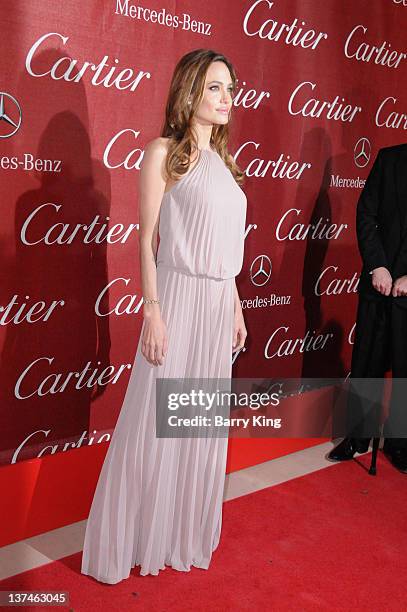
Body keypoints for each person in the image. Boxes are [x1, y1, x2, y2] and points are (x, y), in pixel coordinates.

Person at [80, 49, 248, 583]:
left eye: (230, 88)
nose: (227, 98)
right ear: (190, 91)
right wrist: (152, 310)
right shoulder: (163, 153)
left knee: (195, 426)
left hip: (219, 305)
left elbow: (225, 247)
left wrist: (237, 306)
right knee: (154, 424)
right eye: (216, 87)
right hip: (176, 298)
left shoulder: (226, 164)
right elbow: (146, 240)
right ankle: (128, 537)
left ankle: (175, 533)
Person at [328, 143, 407, 473]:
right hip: (379, 282)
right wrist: (378, 266)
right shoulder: (390, 159)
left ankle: (400, 441)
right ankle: (358, 435)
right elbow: (366, 214)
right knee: (367, 361)